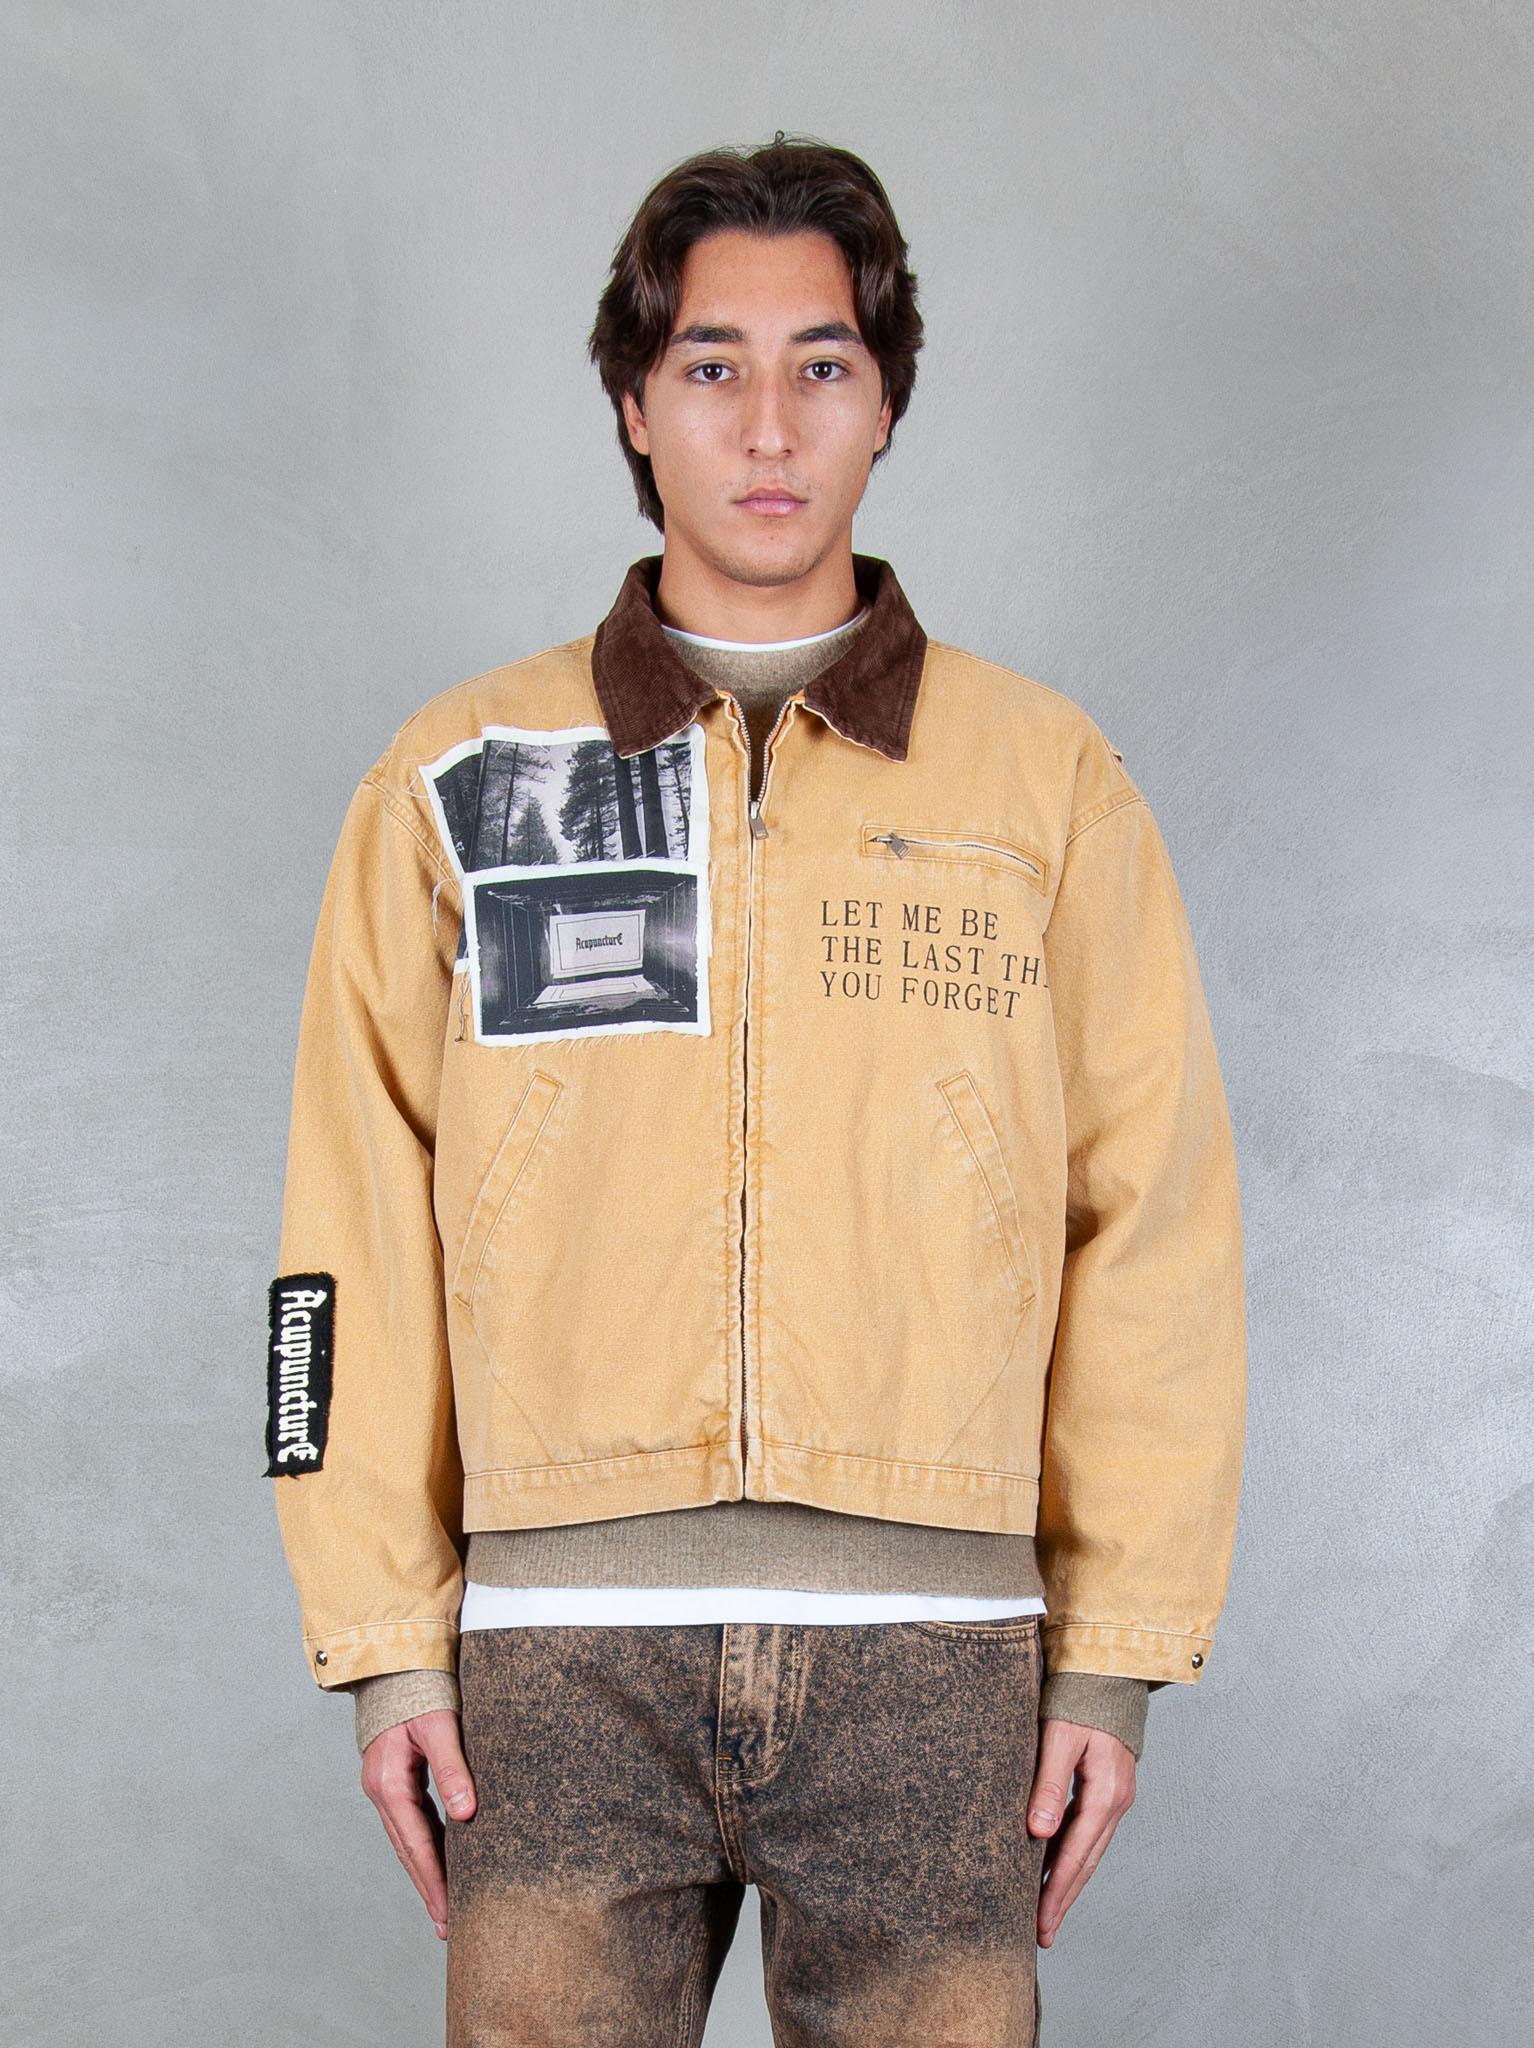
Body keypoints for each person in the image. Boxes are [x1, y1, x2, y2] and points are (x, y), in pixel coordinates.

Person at [267, 132, 1247, 2046]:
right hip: (548, 1669)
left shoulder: (1042, 781)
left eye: (823, 365)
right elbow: (345, 1219)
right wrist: (382, 1644)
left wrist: (1114, 1654)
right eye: (711, 366)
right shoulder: (459, 773)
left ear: (886, 404)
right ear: (636, 406)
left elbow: (1154, 1221)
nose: (769, 424)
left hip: (939, 1664)